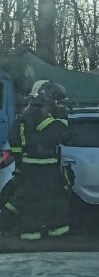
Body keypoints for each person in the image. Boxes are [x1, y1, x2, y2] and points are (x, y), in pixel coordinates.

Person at [13, 81, 70, 240]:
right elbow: (57, 135)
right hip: (39, 166)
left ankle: (55, 231)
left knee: (52, 200)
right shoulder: (37, 112)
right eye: (57, 99)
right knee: (37, 201)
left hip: (42, 164)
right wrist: (62, 117)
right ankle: (31, 236)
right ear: (48, 97)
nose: (58, 103)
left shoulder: (32, 110)